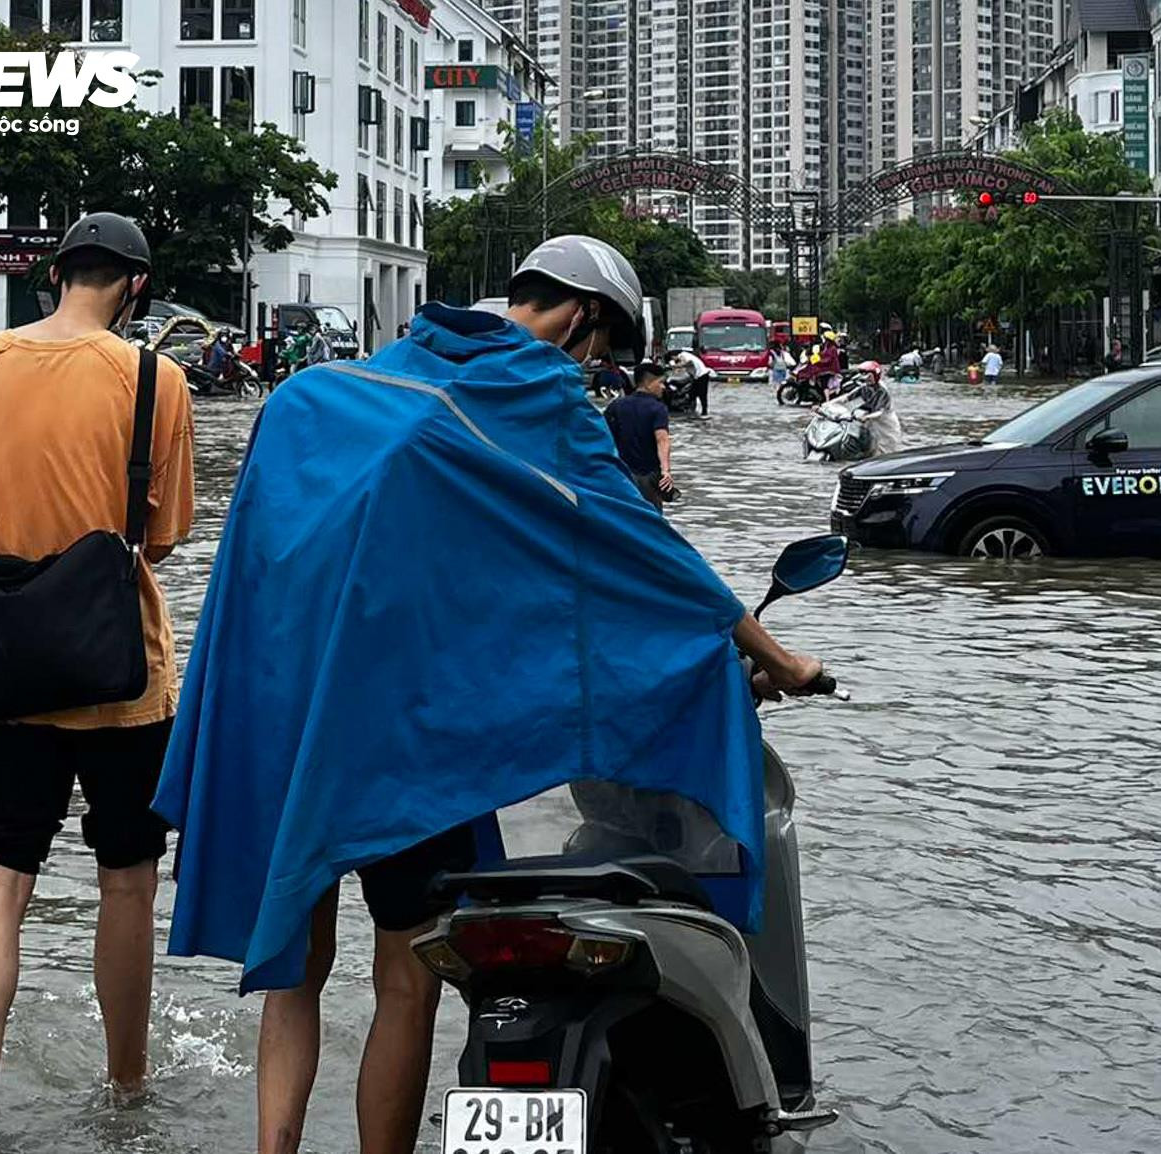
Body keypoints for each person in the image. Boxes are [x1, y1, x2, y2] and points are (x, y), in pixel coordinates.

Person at [151, 234, 823, 1154]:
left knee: (295, 979)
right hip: (410, 748)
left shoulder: (316, 398)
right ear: (583, 317)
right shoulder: (539, 397)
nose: (595, 369)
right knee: (406, 978)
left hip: (284, 723)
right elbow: (642, 556)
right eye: (601, 349)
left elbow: (256, 585)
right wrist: (776, 658)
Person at [0, 212, 195, 1154]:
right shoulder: (154, 378)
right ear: (134, 286)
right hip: (123, 673)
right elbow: (163, 534)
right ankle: (127, 1091)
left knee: (1, 882)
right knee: (125, 884)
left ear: (54, 274)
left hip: (11, 668)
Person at [603, 360, 674, 511]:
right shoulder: (657, 408)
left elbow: (604, 438)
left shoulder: (616, 405)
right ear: (649, 383)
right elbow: (662, 439)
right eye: (661, 382)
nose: (663, 387)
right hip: (648, 476)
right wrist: (666, 471)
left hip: (621, 476)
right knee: (652, 520)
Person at [670, 344, 711, 416]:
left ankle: (704, 412)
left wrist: (675, 366)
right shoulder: (686, 355)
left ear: (674, 356)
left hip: (702, 376)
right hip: (697, 377)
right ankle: (689, 411)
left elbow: (685, 362)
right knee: (692, 394)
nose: (673, 360)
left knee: (702, 394)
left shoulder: (682, 355)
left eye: (673, 358)